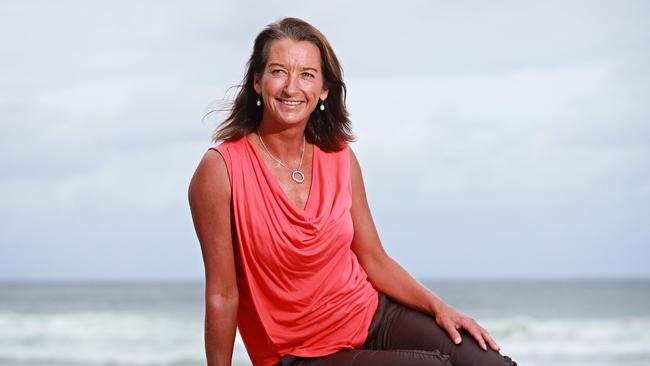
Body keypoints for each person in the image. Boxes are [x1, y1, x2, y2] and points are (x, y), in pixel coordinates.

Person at [188, 17, 517, 366]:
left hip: (372, 315)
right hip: (298, 353)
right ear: (257, 81)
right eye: (278, 71)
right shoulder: (221, 170)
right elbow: (223, 294)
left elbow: (374, 259)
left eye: (307, 74)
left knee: (489, 363)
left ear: (324, 90)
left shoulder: (339, 157)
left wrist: (441, 308)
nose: (291, 88)